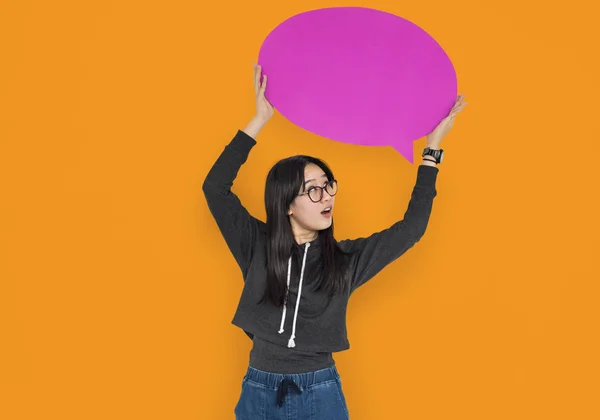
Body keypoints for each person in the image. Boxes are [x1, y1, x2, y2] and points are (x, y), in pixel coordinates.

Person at [202, 63, 467, 419]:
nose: (327, 196)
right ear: (287, 206)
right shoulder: (256, 245)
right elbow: (215, 188)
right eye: (313, 190)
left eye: (329, 185)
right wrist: (259, 119)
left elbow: (411, 229)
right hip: (259, 389)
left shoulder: (346, 259)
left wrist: (431, 152)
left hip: (319, 392)